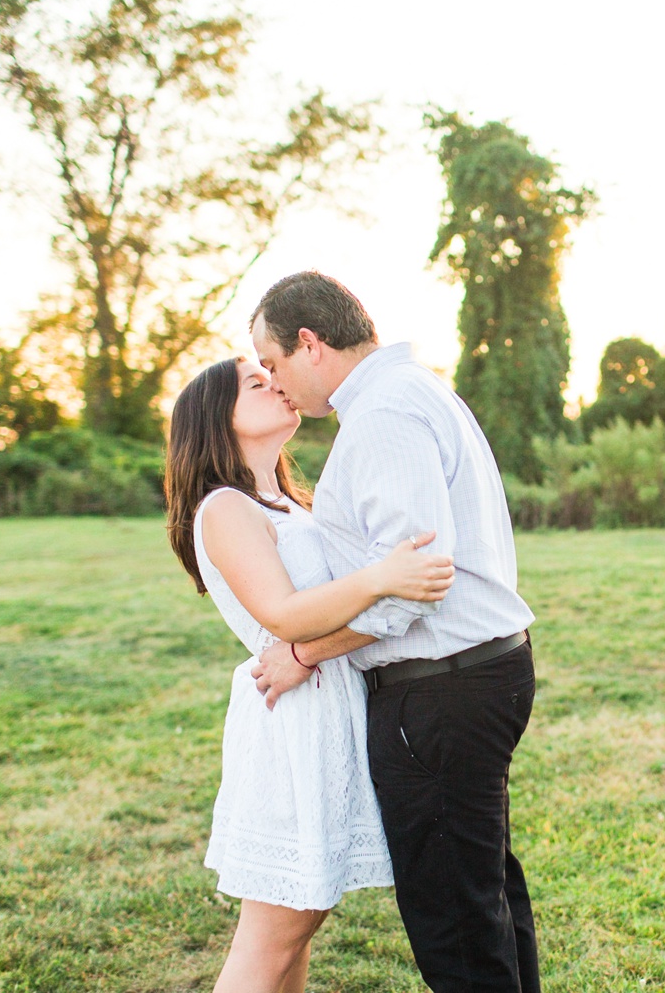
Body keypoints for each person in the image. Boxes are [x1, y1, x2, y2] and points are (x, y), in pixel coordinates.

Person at [247, 270, 541, 993]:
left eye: (274, 363)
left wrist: (303, 654)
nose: (275, 383)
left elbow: (411, 586)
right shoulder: (413, 391)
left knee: (455, 919)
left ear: (310, 343)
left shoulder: (382, 413)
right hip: (472, 676)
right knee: (486, 896)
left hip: (441, 689)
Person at [164, 355, 457, 993]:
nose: (276, 384)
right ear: (216, 418)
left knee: (303, 918)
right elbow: (284, 614)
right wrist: (382, 577)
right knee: (275, 934)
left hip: (326, 710)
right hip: (289, 726)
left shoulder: (287, 504)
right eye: (254, 382)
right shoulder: (225, 508)